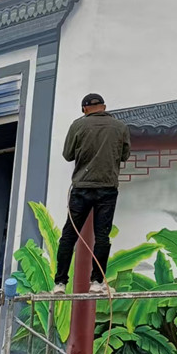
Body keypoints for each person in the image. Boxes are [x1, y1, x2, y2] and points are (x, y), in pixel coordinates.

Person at [52, 93, 130, 294]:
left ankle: (60, 284)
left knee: (69, 235)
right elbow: (125, 155)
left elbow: (67, 155)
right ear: (103, 107)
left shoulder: (78, 125)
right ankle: (97, 283)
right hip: (107, 188)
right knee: (102, 236)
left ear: (85, 109)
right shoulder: (120, 127)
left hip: (81, 188)